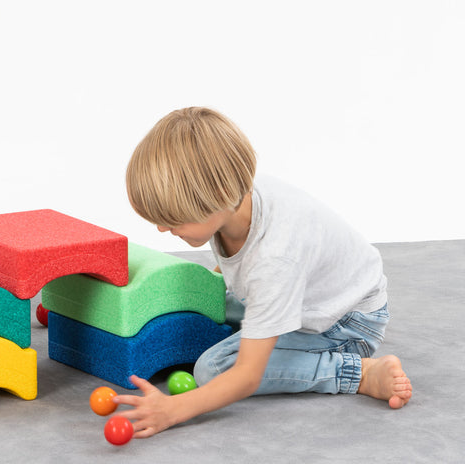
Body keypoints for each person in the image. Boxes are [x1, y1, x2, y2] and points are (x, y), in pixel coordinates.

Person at [115, 107, 412, 438]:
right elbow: (243, 267)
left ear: (217, 198)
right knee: (205, 303)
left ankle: (356, 373)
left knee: (213, 369)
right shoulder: (231, 198)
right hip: (310, 296)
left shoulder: (275, 257)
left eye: (173, 219)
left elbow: (247, 376)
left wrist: (172, 410)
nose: (161, 228)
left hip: (345, 326)